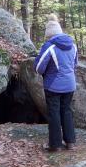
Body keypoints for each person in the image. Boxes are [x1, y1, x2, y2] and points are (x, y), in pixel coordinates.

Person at [34, 14, 79, 152]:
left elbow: (39, 67)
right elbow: (75, 65)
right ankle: (70, 142)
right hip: (70, 85)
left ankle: (55, 145)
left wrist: (47, 73)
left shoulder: (49, 46)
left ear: (49, 34)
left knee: (54, 113)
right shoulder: (73, 45)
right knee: (66, 111)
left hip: (53, 86)